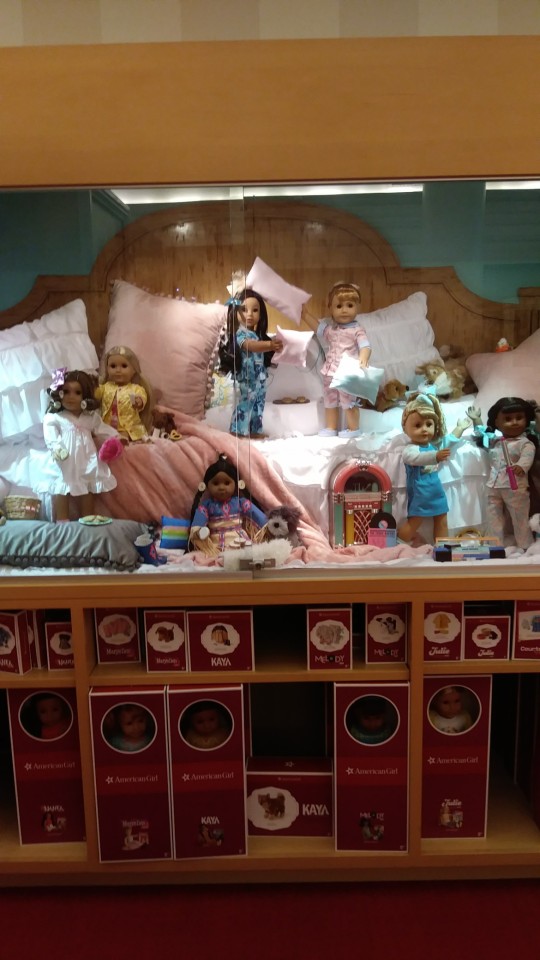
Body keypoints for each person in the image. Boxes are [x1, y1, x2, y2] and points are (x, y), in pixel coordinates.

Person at [36, 368, 120, 522]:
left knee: (87, 487)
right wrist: (57, 448)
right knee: (62, 487)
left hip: (86, 458)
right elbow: (50, 436)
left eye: (77, 392)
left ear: (85, 396)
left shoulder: (90, 418)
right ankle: (62, 521)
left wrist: (117, 437)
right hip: (64, 458)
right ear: (59, 394)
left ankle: (88, 520)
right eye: (66, 392)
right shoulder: (55, 417)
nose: (71, 397)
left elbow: (102, 429)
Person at [397, 393, 471, 545]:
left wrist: (460, 428)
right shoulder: (410, 449)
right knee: (415, 521)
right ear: (405, 428)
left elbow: (448, 441)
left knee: (442, 519)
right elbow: (415, 458)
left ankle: (442, 547)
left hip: (436, 490)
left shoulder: (433, 446)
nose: (424, 429)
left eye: (429, 424)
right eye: (418, 425)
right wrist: (435, 456)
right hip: (421, 491)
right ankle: (398, 543)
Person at [302, 281, 371, 438]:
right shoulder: (331, 330)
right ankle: (331, 427)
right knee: (330, 399)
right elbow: (318, 328)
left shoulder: (357, 330)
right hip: (330, 372)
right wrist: (305, 315)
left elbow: (365, 346)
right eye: (339, 306)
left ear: (357, 307)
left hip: (347, 373)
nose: (344, 310)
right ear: (331, 309)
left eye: (350, 305)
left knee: (349, 401)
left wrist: (363, 358)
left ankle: (354, 429)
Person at [468, 397, 536, 552]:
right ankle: (495, 544)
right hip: (494, 485)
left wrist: (521, 466)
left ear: (527, 420)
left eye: (519, 418)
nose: (514, 422)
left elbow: (527, 456)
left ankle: (525, 545)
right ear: (497, 423)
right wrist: (477, 419)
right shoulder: (495, 441)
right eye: (508, 419)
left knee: (519, 517)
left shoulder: (525, 443)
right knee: (493, 517)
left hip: (515, 486)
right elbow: (481, 434)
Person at [219, 291, 282, 439]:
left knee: (258, 404)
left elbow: (259, 349)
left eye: (255, 310)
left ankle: (255, 430)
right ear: (235, 312)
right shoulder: (240, 334)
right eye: (244, 309)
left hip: (259, 377)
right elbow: (250, 346)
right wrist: (269, 345)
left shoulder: (257, 335)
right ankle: (237, 430)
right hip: (248, 376)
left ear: (261, 314)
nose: (249, 314)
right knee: (246, 402)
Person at [188, 453, 267, 556]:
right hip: (216, 545)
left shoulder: (240, 502)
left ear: (235, 484)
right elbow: (197, 524)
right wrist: (199, 532)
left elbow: (258, 516)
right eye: (216, 483)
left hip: (239, 540)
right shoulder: (206, 506)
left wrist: (268, 526)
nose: (221, 487)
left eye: (227, 483)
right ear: (207, 485)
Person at [96, 345, 154, 442]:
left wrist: (139, 402)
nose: (118, 370)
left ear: (134, 369)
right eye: (113, 366)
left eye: (124, 366)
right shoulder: (105, 387)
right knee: (101, 434)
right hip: (107, 425)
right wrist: (92, 389)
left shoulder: (136, 388)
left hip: (127, 427)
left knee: (124, 434)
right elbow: (97, 394)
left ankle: (121, 441)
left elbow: (142, 398)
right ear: (107, 368)